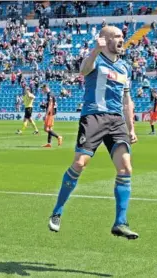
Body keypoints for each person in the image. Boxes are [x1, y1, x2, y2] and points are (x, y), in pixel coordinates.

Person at [48, 26, 139, 239]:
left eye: (122, 37)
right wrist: (94, 51)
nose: (121, 40)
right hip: (94, 117)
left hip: (116, 121)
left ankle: (120, 222)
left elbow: (127, 101)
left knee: (126, 169)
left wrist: (131, 127)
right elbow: (83, 70)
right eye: (117, 36)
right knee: (79, 163)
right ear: (105, 39)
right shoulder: (96, 59)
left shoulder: (125, 67)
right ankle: (58, 210)